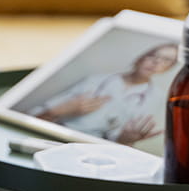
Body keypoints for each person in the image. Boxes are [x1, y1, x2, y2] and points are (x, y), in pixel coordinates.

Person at [28, 43, 179, 145]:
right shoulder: (96, 80)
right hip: (54, 135)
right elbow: (32, 118)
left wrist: (125, 139)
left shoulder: (156, 97)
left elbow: (117, 140)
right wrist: (56, 111)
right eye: (153, 56)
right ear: (141, 58)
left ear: (167, 69)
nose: (157, 62)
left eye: (166, 60)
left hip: (91, 147)